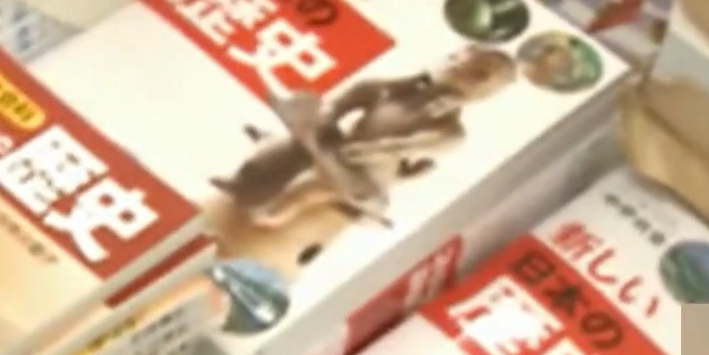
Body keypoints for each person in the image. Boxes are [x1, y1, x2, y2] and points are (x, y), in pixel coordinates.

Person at [209, 45, 519, 230]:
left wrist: (353, 151)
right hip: (342, 147)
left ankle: (272, 217)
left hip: (361, 177)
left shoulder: (448, 131)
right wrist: (331, 114)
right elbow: (358, 93)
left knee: (310, 188)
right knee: (287, 145)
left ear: (485, 94)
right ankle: (243, 180)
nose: (458, 67)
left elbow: (387, 148)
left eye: (478, 75)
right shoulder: (396, 90)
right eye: (456, 57)